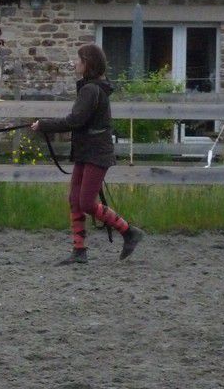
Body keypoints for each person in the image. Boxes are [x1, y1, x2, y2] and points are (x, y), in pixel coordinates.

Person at [31, 43, 144, 264]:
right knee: (75, 200)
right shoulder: (91, 88)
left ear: (87, 64)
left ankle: (129, 231)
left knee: (86, 203)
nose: (76, 63)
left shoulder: (90, 90)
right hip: (87, 151)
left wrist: (43, 125)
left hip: (96, 152)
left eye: (79, 60)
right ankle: (79, 250)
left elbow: (75, 121)